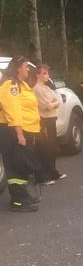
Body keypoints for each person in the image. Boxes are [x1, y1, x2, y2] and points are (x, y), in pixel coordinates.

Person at [0, 56, 41, 212]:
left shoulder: (20, 84)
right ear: (18, 68)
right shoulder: (10, 85)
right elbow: (13, 110)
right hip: (11, 130)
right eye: (26, 67)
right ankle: (17, 201)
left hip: (22, 129)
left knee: (21, 165)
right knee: (16, 166)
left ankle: (23, 195)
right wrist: (19, 133)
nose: (28, 69)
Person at [31, 64, 66, 184]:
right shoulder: (37, 89)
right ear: (37, 75)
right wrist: (53, 103)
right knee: (44, 149)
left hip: (51, 119)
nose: (47, 75)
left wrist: (53, 103)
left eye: (47, 73)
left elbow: (58, 100)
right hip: (44, 121)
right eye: (44, 73)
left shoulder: (47, 88)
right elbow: (46, 106)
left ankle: (53, 173)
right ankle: (42, 177)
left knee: (52, 147)